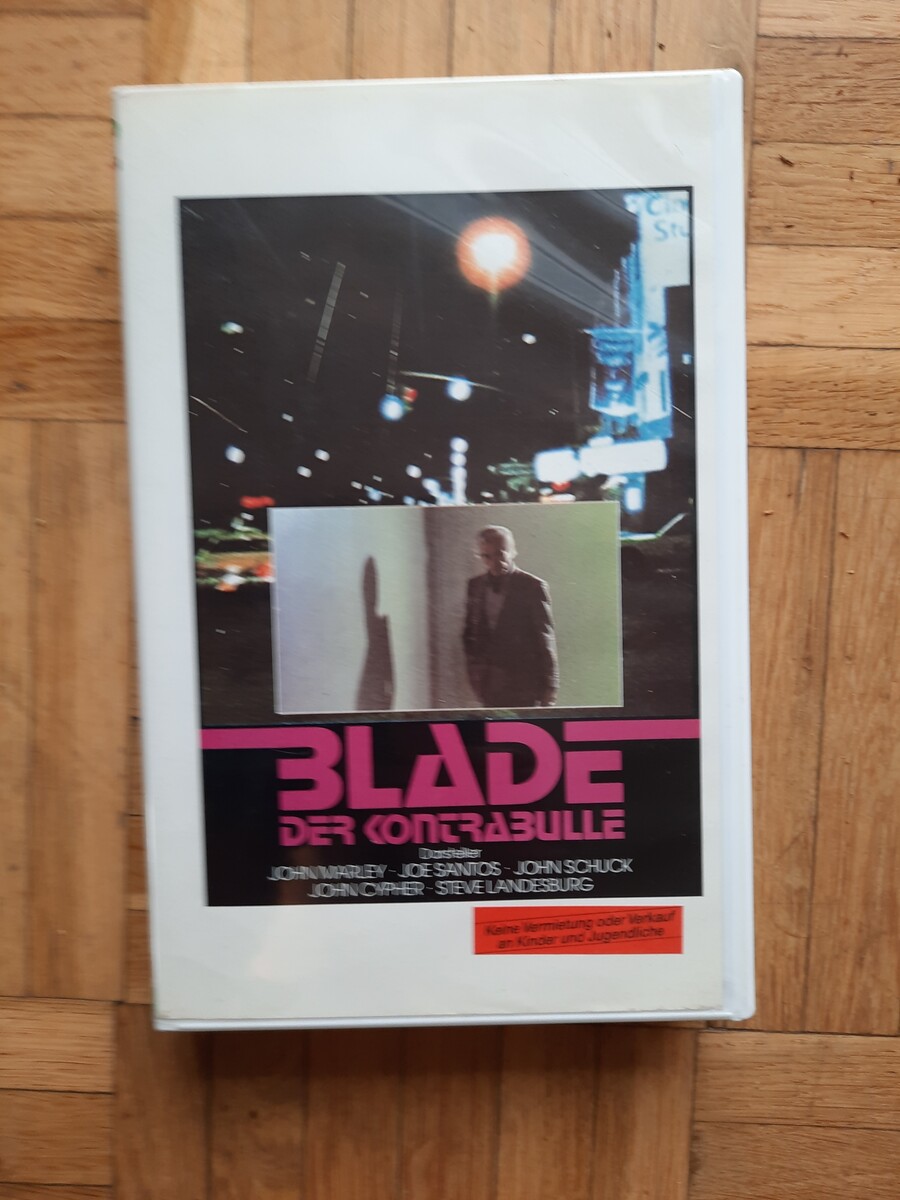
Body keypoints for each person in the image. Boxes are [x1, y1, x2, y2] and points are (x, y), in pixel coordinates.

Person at [462, 525, 558, 708]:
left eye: (500, 553)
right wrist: (475, 676)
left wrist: (550, 688)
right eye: (486, 556)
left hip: (525, 686)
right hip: (488, 687)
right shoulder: (474, 586)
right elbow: (468, 635)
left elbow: (546, 639)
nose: (494, 562)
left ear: (513, 551)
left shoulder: (533, 586)